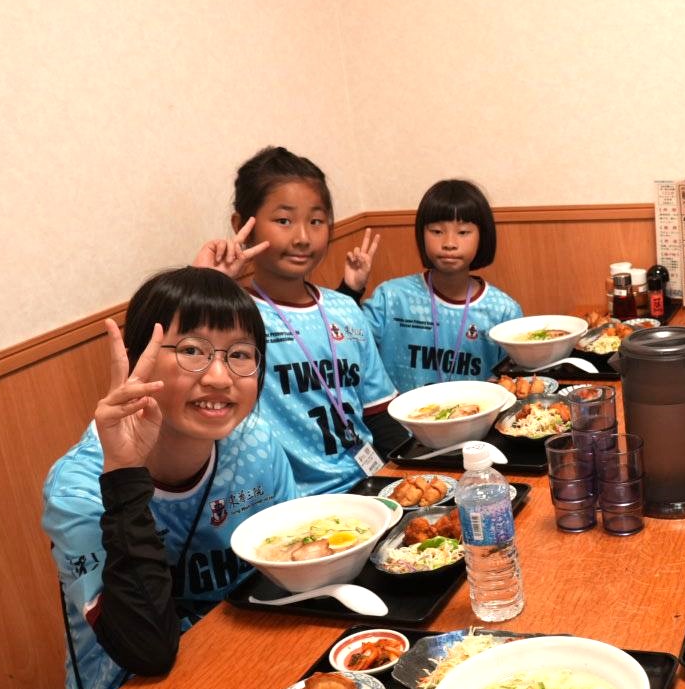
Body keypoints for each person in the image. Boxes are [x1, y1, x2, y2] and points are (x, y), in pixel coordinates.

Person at [43, 267, 293, 689]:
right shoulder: (79, 489)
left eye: (239, 354)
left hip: (247, 670)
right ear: (137, 361)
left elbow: (292, 569)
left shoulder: (255, 442)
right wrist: (124, 476)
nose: (219, 377)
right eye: (193, 350)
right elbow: (147, 651)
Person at [196, 146, 397, 495]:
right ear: (242, 225)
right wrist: (206, 288)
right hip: (285, 503)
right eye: (284, 221)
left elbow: (377, 412)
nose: (303, 238)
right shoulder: (231, 319)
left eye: (316, 221)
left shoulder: (345, 309)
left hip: (369, 485)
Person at [341, 178, 522, 391]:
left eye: (463, 232)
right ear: (422, 234)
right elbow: (344, 346)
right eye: (437, 231)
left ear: (482, 237)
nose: (449, 243)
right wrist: (350, 290)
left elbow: (514, 383)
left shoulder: (503, 311)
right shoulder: (391, 298)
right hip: (398, 413)